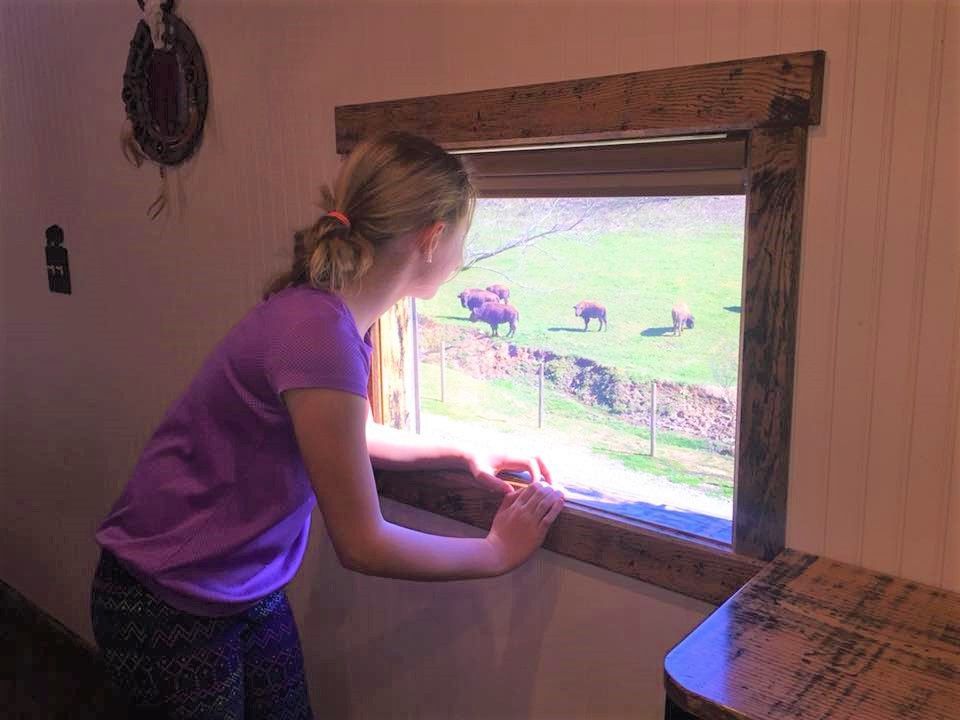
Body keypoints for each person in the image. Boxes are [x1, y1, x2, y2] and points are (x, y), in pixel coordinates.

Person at [90, 130, 564, 719]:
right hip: (163, 593)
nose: (462, 258)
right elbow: (362, 544)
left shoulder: (331, 315)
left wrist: (461, 447)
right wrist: (494, 553)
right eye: (461, 240)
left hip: (243, 586)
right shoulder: (319, 334)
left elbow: (344, 434)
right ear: (432, 237)